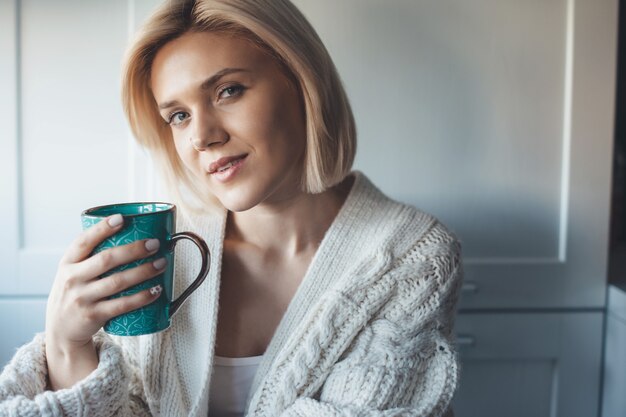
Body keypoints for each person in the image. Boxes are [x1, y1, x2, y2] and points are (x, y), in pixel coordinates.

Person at [0, 0, 462, 416]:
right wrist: (68, 348)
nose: (202, 136)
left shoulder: (413, 257)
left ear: (302, 82)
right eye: (178, 115)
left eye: (228, 91)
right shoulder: (163, 252)